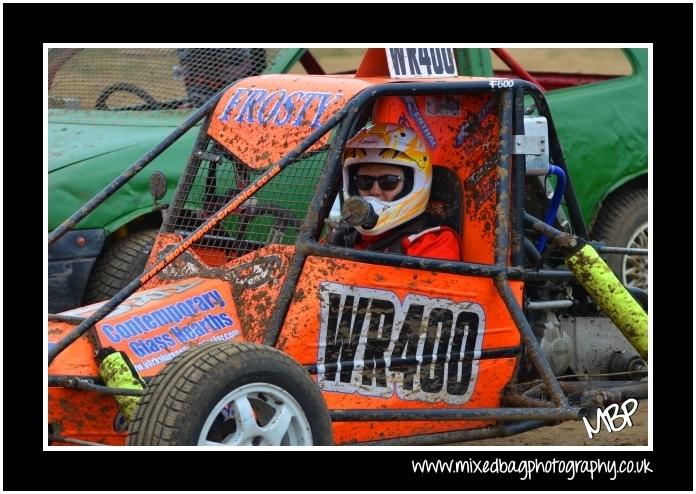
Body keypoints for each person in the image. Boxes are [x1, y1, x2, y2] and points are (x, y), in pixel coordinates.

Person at [333, 123, 461, 261]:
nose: (374, 191)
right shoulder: (344, 233)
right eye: (364, 181)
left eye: (389, 181)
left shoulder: (432, 241)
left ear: (411, 184)